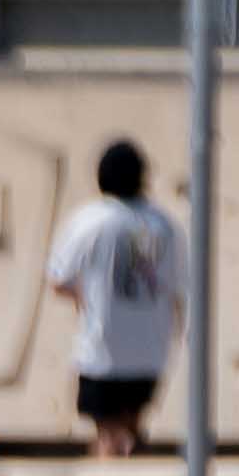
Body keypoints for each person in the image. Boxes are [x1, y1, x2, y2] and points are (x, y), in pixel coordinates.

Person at [44, 141, 180, 459]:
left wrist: (85, 296)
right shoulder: (164, 225)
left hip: (102, 348)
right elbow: (176, 287)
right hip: (150, 349)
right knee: (131, 427)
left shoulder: (91, 220)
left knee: (106, 432)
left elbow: (58, 279)